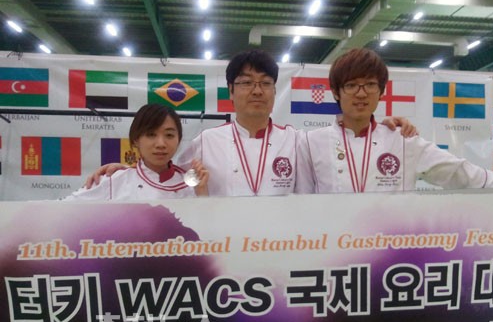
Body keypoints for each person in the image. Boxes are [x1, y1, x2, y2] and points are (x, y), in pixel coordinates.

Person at [86, 50, 417, 196]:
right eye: (246, 83)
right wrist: (129, 170)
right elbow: (173, 175)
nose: (256, 90)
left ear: (274, 90)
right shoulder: (207, 142)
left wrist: (382, 123)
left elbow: (340, 147)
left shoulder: (297, 140)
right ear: (231, 91)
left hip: (282, 249)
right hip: (223, 248)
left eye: (265, 83)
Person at [295, 48, 493, 193]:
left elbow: (459, 172)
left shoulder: (402, 140)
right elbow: (301, 202)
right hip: (332, 244)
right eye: (351, 85)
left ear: (381, 91)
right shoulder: (311, 142)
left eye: (370, 85)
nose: (361, 94)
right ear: (336, 92)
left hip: (390, 243)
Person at [65, 104, 208, 200]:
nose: (161, 144)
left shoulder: (192, 186)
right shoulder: (113, 181)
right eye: (151, 135)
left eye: (169, 135)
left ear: (179, 140)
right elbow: (62, 210)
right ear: (135, 140)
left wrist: (202, 196)